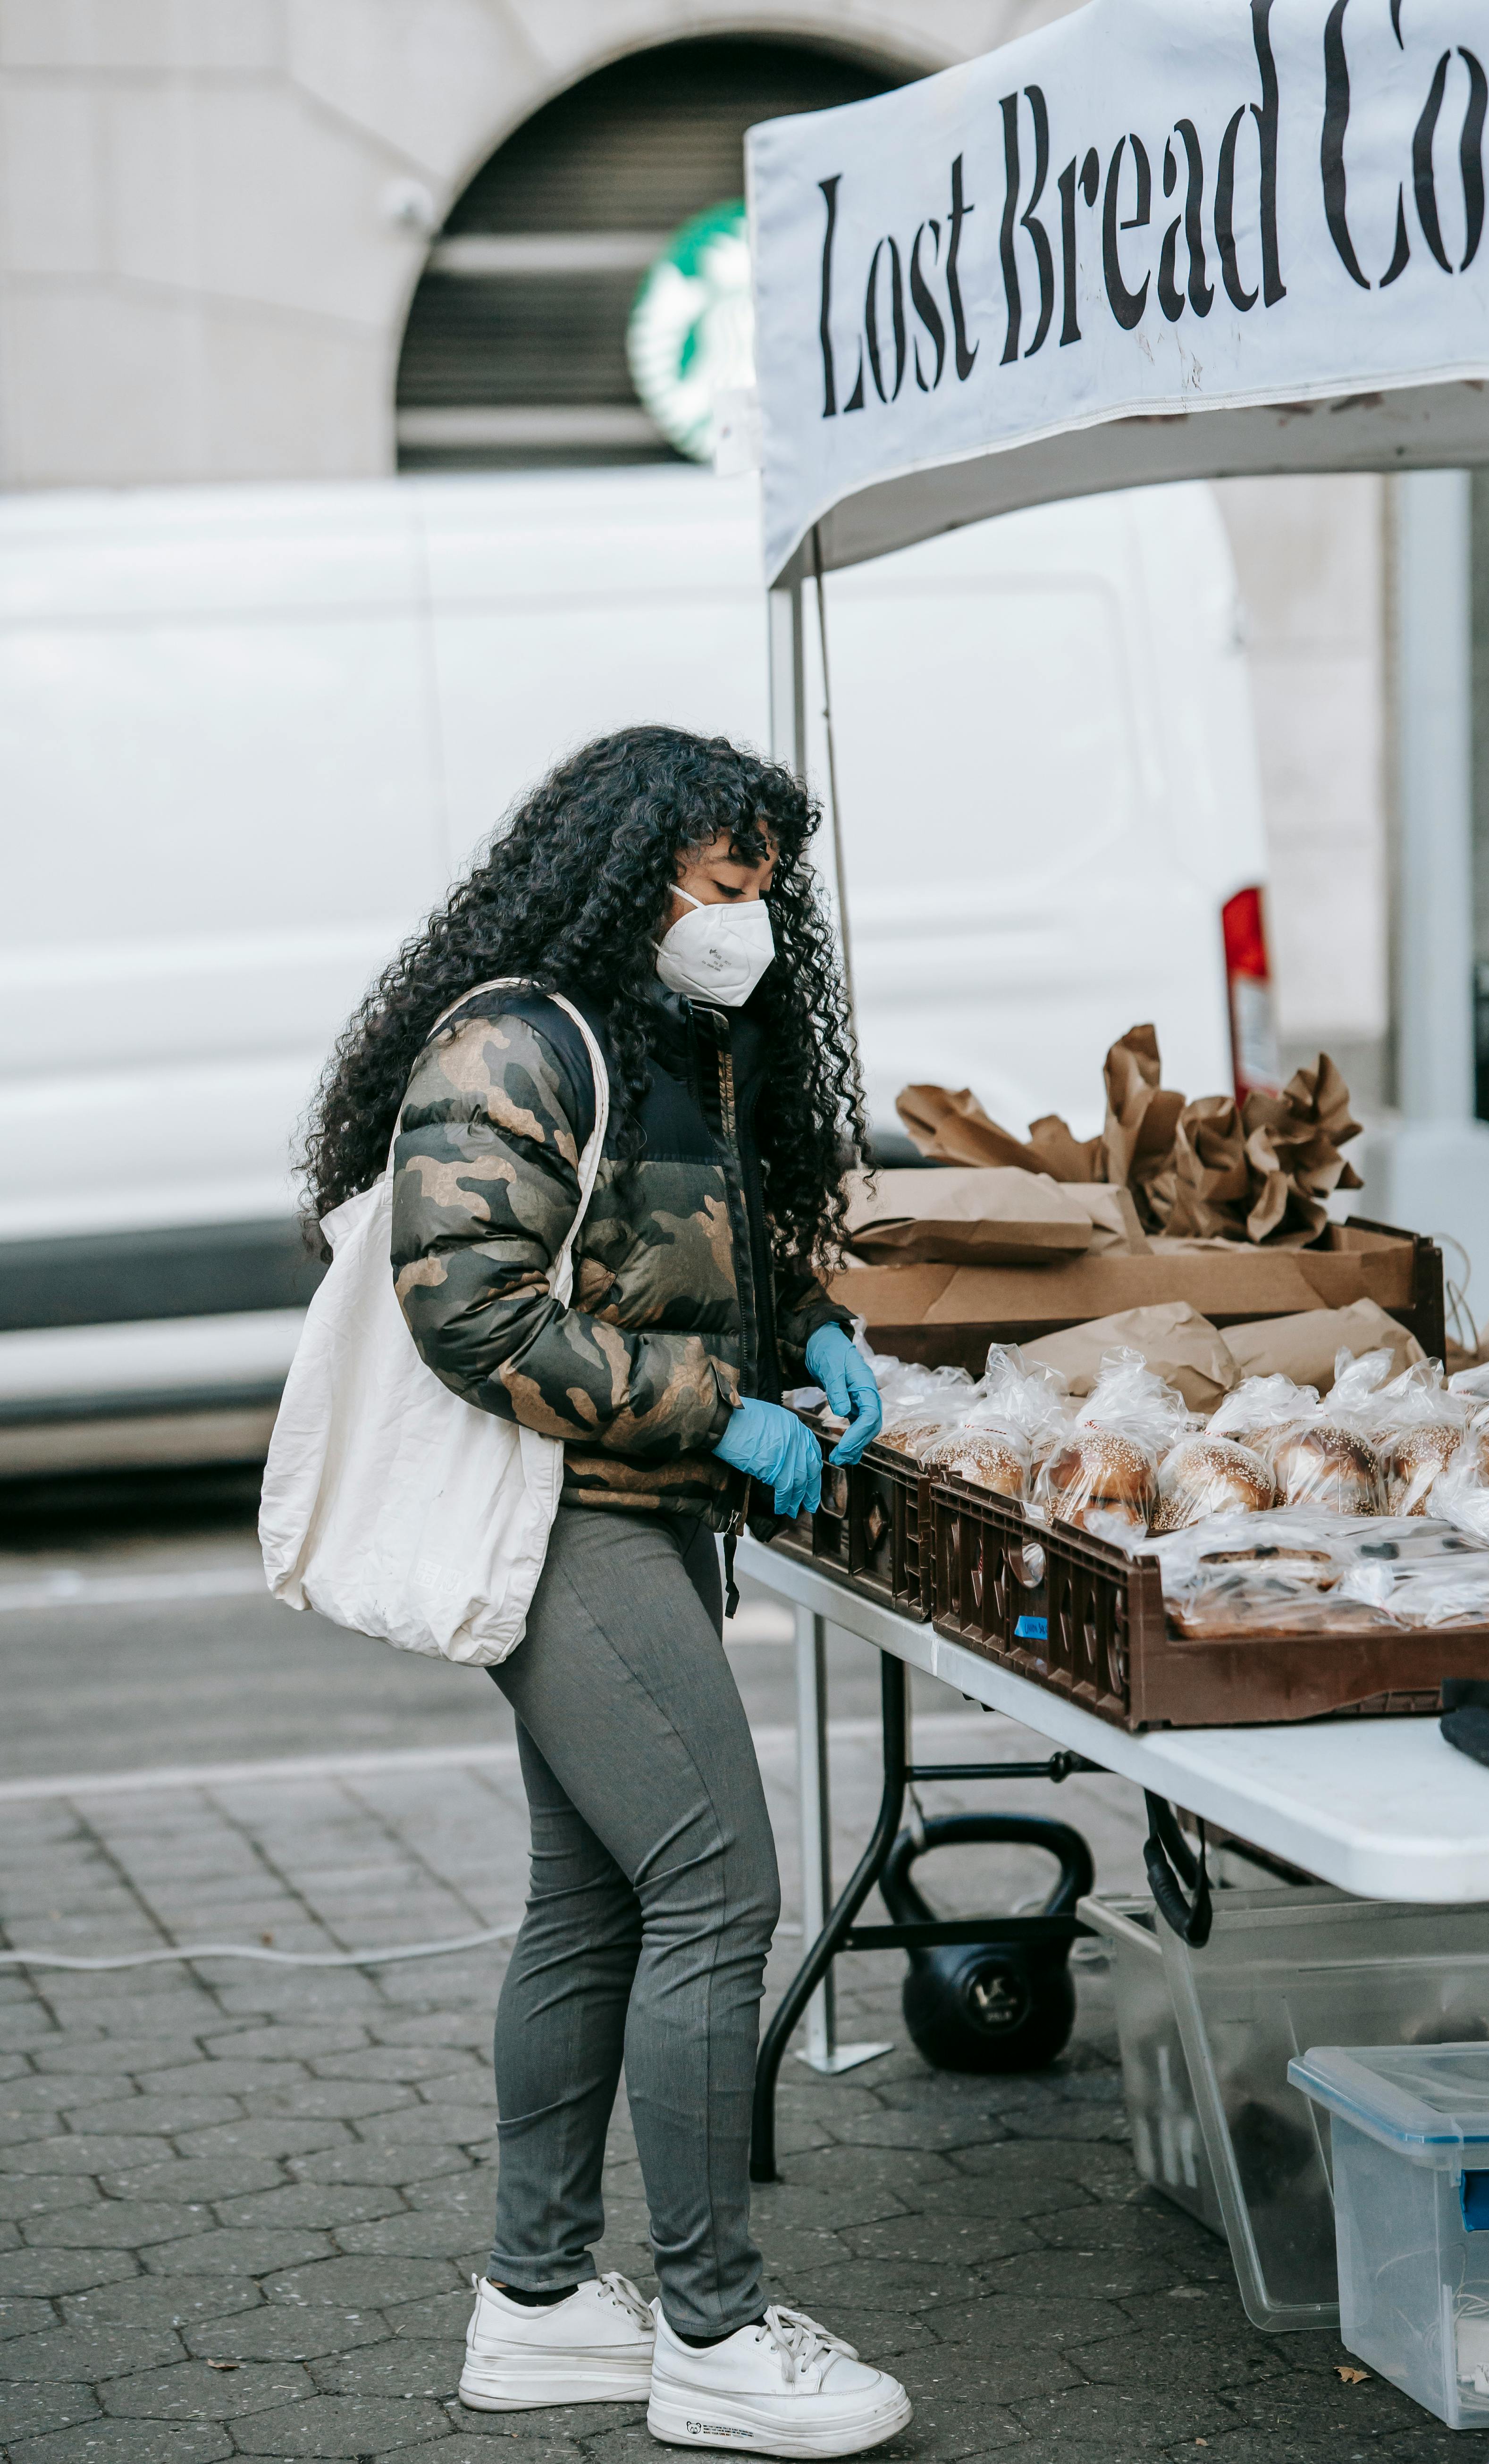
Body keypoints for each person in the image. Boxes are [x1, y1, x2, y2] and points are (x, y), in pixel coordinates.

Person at [303, 726, 909, 2458]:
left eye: (770, 891)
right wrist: (725, 1411)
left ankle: (541, 2307)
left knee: (599, 1905)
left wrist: (800, 1326)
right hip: (566, 1518)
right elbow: (472, 1307)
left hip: (645, 1508)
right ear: (633, 868)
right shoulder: (512, 1038)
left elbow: (667, 1247)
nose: (752, 923)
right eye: (728, 885)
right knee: (720, 1894)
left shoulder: (679, 1038)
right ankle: (715, 2341)